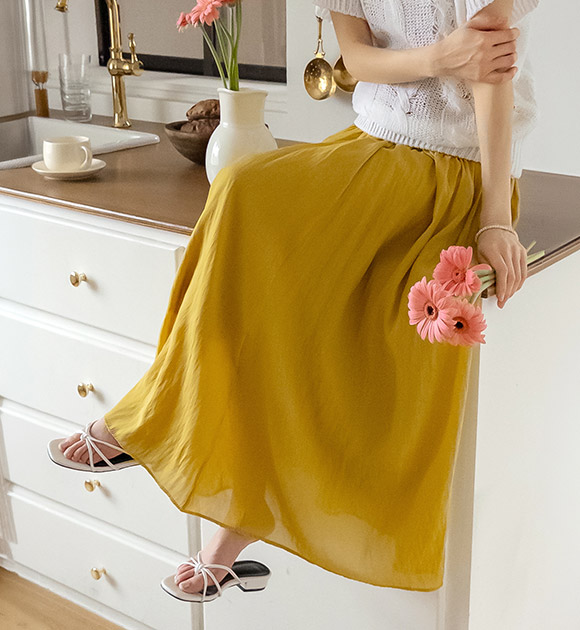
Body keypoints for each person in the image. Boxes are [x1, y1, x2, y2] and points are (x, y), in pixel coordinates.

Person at [49, 0, 539, 602]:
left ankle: (203, 483)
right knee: (242, 195)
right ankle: (178, 439)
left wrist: (496, 218)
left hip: (456, 170)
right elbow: (356, 58)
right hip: (372, 146)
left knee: (308, 286)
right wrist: (440, 57)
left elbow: (493, 71)